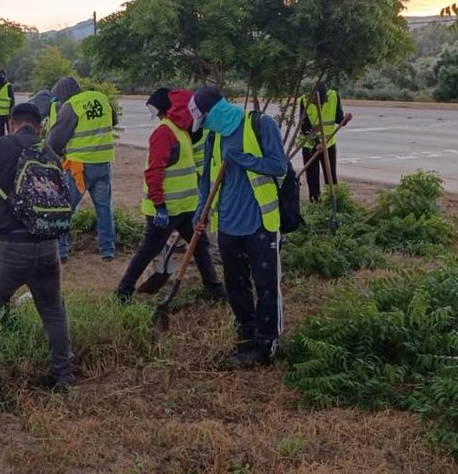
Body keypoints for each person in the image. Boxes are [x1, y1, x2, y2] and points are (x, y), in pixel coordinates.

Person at [0, 103, 74, 407]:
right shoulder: (50, 154)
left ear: (12, 123)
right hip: (48, 246)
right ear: (40, 126)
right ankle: (65, 377)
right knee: (53, 310)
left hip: (8, 247)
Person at [191, 87, 288, 367]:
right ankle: (246, 333)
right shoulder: (213, 136)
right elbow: (206, 181)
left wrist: (243, 159)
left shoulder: (261, 124)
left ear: (217, 111)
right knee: (236, 285)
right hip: (228, 225)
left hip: (261, 224)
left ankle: (266, 343)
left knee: (267, 286)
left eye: (205, 120)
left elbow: (279, 166)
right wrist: (201, 211)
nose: (205, 126)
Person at [115, 88, 226, 301]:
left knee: (200, 245)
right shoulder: (164, 132)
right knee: (150, 249)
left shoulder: (182, 131)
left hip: (185, 208)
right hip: (165, 210)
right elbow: (154, 171)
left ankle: (214, 289)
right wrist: (159, 206)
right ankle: (123, 292)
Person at [47, 76, 117, 262]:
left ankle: (61, 251)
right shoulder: (101, 98)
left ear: (64, 93)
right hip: (103, 163)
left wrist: (54, 154)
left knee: (65, 207)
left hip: (79, 168)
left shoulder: (72, 105)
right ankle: (107, 250)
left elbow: (56, 139)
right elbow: (113, 121)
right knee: (104, 209)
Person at [297, 80, 352, 203]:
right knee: (312, 176)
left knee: (330, 175)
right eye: (317, 103)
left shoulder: (333, 96)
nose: (320, 105)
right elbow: (305, 127)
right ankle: (315, 202)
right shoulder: (305, 100)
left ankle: (332, 202)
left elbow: (338, 119)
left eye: (322, 103)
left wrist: (345, 120)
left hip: (329, 144)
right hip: (310, 146)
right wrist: (317, 143)